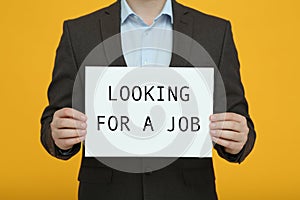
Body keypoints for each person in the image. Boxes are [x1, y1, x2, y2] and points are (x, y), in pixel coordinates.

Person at [40, 0, 256, 199]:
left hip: (189, 192)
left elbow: (238, 119)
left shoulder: (215, 32)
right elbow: (54, 119)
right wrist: (59, 136)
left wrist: (236, 140)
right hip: (107, 192)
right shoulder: (78, 32)